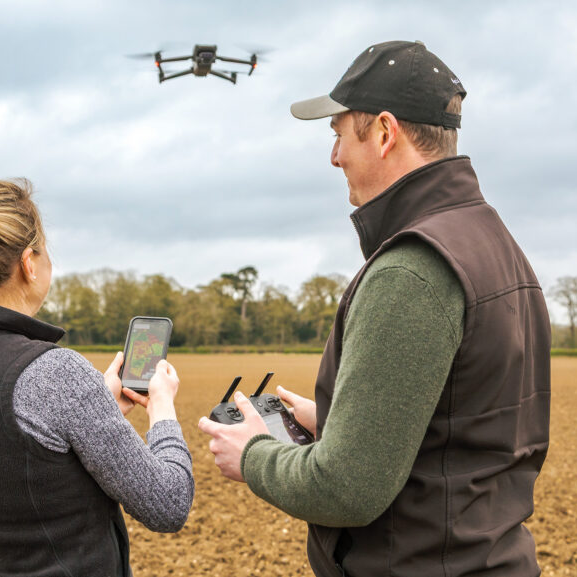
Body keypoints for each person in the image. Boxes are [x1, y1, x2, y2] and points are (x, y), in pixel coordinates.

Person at [198, 41, 551, 576]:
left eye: (339, 135)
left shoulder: (410, 271)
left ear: (385, 133)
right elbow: (463, 427)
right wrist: (348, 423)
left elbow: (346, 489)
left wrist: (252, 455)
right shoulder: (492, 241)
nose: (334, 156)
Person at [0, 179, 193, 577]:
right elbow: (167, 504)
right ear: (29, 263)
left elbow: (14, 457)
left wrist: (95, 406)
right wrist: (163, 409)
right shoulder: (55, 373)